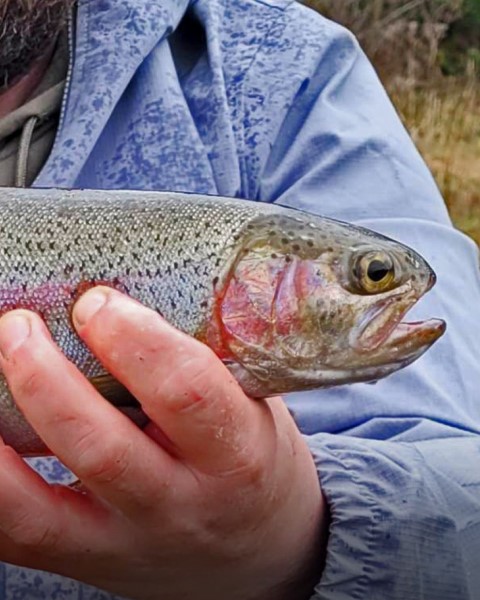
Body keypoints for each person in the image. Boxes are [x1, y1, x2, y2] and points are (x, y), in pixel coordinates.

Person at [0, 0, 477, 598]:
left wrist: (302, 538)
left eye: (369, 275)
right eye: (373, 275)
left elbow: (462, 491)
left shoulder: (283, 73)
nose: (384, 288)